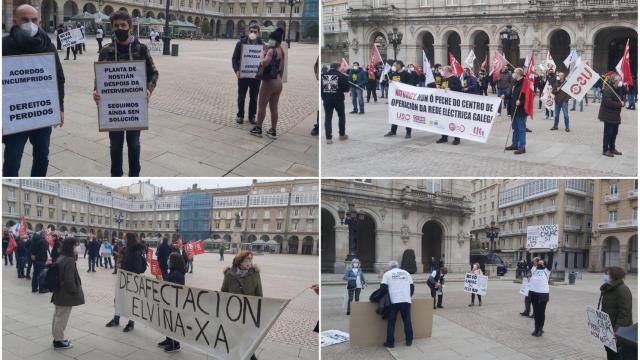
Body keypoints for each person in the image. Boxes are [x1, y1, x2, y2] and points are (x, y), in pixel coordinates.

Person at [93, 11, 159, 177]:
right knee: (115, 146)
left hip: (134, 109)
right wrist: (96, 91)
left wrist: (149, 89)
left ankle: (134, 175)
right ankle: (116, 175)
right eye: (116, 26)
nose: (120, 29)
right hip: (113, 110)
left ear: (130, 27)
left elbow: (154, 73)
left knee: (134, 145)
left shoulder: (141, 49)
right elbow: (100, 78)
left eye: (123, 25)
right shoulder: (106, 51)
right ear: (112, 28)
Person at [2, 4, 65, 177]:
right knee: (12, 160)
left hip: (42, 114)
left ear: (40, 21)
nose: (30, 23)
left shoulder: (47, 45)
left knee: (42, 157)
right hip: (16, 115)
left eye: (34, 20)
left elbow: (58, 78)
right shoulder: (5, 45)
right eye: (25, 20)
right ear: (15, 20)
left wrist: (59, 107)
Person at [221, 251, 261, 360]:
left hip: (249, 312)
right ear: (239, 262)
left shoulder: (255, 273)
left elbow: (259, 294)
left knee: (246, 338)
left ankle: (250, 357)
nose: (249, 262)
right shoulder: (229, 274)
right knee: (234, 337)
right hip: (233, 313)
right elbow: (224, 292)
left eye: (251, 259)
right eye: (246, 260)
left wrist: (258, 311)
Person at [105, 233, 147, 332]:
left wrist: (125, 268)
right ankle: (116, 319)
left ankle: (131, 323)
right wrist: (120, 264)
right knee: (119, 299)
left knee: (131, 302)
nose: (123, 239)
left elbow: (137, 268)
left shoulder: (136, 251)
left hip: (132, 281)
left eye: (125, 238)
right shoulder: (126, 249)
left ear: (129, 239)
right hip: (123, 280)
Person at [250, 27, 285, 139]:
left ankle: (258, 128)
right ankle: (273, 130)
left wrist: (262, 53)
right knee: (274, 107)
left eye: (271, 39)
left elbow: (264, 63)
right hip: (279, 81)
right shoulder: (281, 51)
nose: (269, 41)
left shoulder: (271, 50)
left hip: (269, 81)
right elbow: (282, 68)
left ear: (275, 40)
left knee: (262, 106)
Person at [51, 237, 85, 349]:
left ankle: (57, 338)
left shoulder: (61, 257)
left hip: (59, 292)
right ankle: (59, 341)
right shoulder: (69, 260)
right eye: (76, 245)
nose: (78, 247)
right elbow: (69, 280)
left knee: (57, 316)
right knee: (61, 318)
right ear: (71, 247)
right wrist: (75, 292)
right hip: (65, 294)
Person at [599, 267, 633, 360]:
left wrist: (616, 333)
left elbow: (624, 314)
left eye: (607, 274)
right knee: (610, 353)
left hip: (616, 333)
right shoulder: (608, 288)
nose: (605, 276)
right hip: (608, 330)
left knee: (617, 355)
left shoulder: (622, 290)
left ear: (614, 276)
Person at [232, 23, 263, 124]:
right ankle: (240, 115)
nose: (253, 33)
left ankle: (252, 116)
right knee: (241, 96)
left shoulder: (261, 45)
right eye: (251, 31)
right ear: (248, 32)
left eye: (255, 32)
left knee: (254, 97)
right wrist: (237, 70)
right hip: (243, 75)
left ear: (258, 33)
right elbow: (234, 58)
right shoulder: (241, 43)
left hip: (256, 76)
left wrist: (262, 72)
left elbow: (264, 60)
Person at [380, 260, 414, 348]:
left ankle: (390, 342)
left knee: (391, 322)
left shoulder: (387, 274)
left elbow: (383, 289)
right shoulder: (406, 273)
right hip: (406, 300)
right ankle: (409, 340)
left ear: (389, 267)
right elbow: (412, 287)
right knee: (407, 321)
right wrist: (407, 295)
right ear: (397, 266)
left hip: (393, 301)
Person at [157, 253, 186, 352]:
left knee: (173, 322)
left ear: (174, 261)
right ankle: (169, 340)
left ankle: (175, 344)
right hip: (170, 301)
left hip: (174, 302)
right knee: (168, 321)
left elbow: (173, 287)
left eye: (169, 259)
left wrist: (162, 281)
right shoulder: (174, 271)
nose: (167, 261)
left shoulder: (177, 273)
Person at [322, 62, 350, 144]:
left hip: (327, 100)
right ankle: (342, 134)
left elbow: (320, 88)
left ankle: (328, 138)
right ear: (338, 67)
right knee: (341, 116)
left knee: (328, 118)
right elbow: (346, 89)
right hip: (338, 100)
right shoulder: (342, 76)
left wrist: (323, 97)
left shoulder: (323, 75)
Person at [384, 61, 412, 138]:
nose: (394, 66)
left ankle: (408, 132)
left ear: (399, 65)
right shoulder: (393, 74)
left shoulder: (406, 74)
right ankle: (393, 131)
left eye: (395, 65)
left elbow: (411, 84)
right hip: (396, 98)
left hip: (404, 98)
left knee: (406, 114)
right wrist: (389, 81)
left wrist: (400, 83)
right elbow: (388, 82)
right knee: (395, 113)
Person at [599, 74, 625, 158]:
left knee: (614, 133)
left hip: (615, 115)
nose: (620, 82)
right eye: (619, 80)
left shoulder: (617, 89)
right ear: (614, 81)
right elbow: (608, 102)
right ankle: (605, 150)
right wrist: (619, 104)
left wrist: (622, 100)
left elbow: (621, 97)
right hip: (608, 115)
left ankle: (612, 148)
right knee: (608, 133)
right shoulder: (608, 90)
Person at [436, 66, 462, 145]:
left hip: (452, 104)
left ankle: (457, 138)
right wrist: (438, 87)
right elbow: (443, 88)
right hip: (444, 103)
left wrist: (451, 88)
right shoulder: (444, 79)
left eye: (443, 70)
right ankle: (444, 137)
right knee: (444, 120)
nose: (442, 72)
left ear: (448, 71)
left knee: (454, 121)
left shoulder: (455, 79)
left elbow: (459, 89)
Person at [505, 68, 528, 155]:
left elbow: (528, 98)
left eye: (514, 72)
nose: (513, 74)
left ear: (519, 74)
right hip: (513, 109)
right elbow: (512, 95)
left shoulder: (524, 83)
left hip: (521, 110)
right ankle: (515, 144)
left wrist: (521, 102)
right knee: (515, 128)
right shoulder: (514, 82)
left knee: (521, 129)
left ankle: (522, 147)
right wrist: (506, 96)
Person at [529, 259, 550, 337]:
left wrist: (551, 250)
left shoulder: (546, 270)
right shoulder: (534, 269)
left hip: (543, 294)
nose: (539, 263)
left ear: (544, 265)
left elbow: (550, 261)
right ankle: (536, 328)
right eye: (539, 262)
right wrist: (528, 252)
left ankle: (540, 329)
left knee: (541, 313)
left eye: (541, 262)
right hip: (534, 294)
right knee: (536, 313)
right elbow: (530, 262)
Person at [30, 226, 49, 293]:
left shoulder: (33, 239)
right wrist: (36, 256)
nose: (46, 235)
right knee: (41, 274)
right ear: (43, 235)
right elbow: (43, 251)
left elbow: (30, 249)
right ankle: (41, 289)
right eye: (46, 234)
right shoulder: (44, 241)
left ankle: (34, 288)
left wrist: (32, 255)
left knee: (35, 273)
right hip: (41, 259)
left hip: (35, 259)